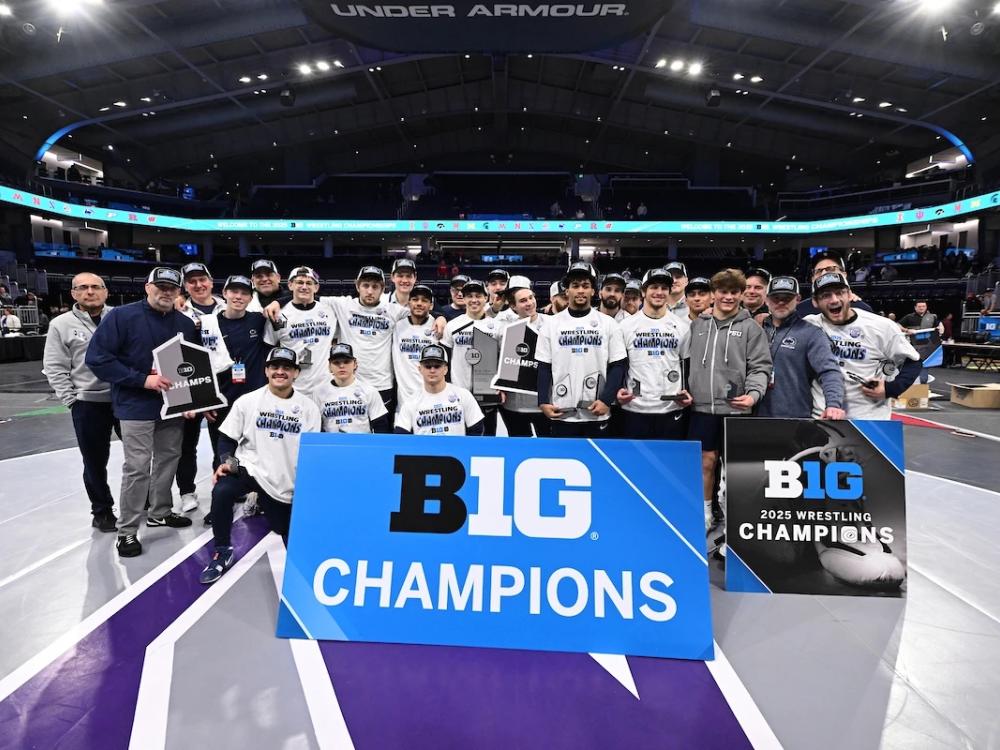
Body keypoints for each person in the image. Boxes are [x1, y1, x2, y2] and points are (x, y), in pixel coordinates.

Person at [85, 267, 197, 558]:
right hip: (135, 405)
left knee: (169, 458)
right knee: (137, 467)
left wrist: (188, 401)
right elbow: (97, 358)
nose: (166, 292)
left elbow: (189, 367)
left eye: (172, 288)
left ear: (179, 292)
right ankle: (128, 531)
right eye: (160, 287)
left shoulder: (185, 323)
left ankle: (160, 511)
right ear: (147, 288)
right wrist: (141, 379)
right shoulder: (121, 317)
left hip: (171, 405)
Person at [199, 347, 321, 584]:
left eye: (286, 368)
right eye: (275, 367)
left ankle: (263, 503)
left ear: (296, 373)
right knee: (223, 490)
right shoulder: (248, 401)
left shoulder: (309, 408)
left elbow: (312, 453)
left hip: (284, 479)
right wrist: (227, 463)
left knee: (282, 528)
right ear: (266, 371)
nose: (280, 372)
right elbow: (226, 439)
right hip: (250, 469)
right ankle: (222, 550)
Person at [685, 269, 772, 531]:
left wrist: (754, 395)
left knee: (732, 469)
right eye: (723, 292)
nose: (728, 297)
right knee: (705, 462)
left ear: (741, 294)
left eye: (734, 292)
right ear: (714, 294)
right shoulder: (698, 324)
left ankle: (735, 519)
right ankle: (706, 513)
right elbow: (684, 362)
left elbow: (760, 367)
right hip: (701, 407)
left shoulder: (750, 329)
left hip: (736, 408)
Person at [43, 272, 119, 532]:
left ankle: (142, 500)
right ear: (73, 293)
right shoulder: (60, 324)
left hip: (124, 398)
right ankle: (102, 510)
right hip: (87, 403)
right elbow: (54, 366)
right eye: (83, 288)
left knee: (139, 456)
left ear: (106, 291)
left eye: (96, 287)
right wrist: (71, 400)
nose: (90, 292)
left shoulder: (120, 317)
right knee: (94, 461)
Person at [806, 272, 920, 420]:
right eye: (826, 295)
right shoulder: (809, 324)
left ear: (849, 295)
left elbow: (914, 361)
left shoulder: (881, 326)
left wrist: (890, 389)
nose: (834, 300)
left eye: (840, 293)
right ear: (815, 302)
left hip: (869, 418)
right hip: (823, 417)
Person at [536, 261, 626, 438]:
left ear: (593, 291)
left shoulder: (608, 324)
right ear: (567, 290)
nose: (580, 290)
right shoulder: (551, 324)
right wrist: (543, 402)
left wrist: (606, 400)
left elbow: (618, 365)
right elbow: (544, 366)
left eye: (585, 286)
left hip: (596, 411)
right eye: (575, 285)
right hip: (561, 410)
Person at [174, 262, 226, 514]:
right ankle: (186, 491)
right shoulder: (179, 312)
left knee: (225, 442)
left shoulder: (228, 306)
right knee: (187, 444)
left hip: (224, 384)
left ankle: (225, 484)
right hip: (192, 384)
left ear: (211, 281)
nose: (198, 285)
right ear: (185, 286)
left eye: (202, 279)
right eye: (192, 281)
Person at [617, 267, 692, 439]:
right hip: (634, 406)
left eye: (664, 288)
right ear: (643, 291)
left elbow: (686, 364)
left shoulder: (682, 326)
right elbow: (620, 364)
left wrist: (686, 390)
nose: (659, 292)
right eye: (654, 287)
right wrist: (618, 389)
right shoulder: (626, 326)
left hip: (670, 406)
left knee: (668, 463)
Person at [756, 276, 845, 420]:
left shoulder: (811, 333)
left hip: (793, 418)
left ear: (798, 299)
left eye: (787, 298)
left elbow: (829, 371)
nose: (780, 302)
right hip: (752, 416)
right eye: (775, 297)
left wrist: (833, 404)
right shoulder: (756, 329)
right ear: (766, 300)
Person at [264, 266, 338, 397]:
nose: (304, 287)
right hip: (292, 387)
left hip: (326, 386)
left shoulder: (330, 310)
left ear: (316, 287)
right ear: (290, 285)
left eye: (309, 283)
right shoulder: (277, 314)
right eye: (299, 282)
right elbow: (268, 348)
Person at [441, 279, 501, 435]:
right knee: (461, 438)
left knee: (487, 439)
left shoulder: (497, 326)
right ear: (464, 298)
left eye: (478, 295)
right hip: (459, 393)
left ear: (486, 298)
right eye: (470, 296)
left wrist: (502, 385)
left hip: (487, 393)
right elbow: (445, 358)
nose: (474, 300)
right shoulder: (453, 325)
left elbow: (503, 359)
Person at [495, 276, 549, 438]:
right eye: (523, 301)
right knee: (518, 449)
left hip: (544, 404)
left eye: (531, 298)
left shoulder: (552, 324)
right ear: (513, 306)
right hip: (514, 406)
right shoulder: (506, 329)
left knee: (548, 451)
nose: (529, 303)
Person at [394, 345, 485, 435]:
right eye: (428, 366)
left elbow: (477, 429)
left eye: (437, 366)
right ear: (420, 369)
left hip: (456, 449)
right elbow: (400, 435)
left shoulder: (463, 395)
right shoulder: (411, 402)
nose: (432, 370)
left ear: (445, 369)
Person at [313, 343, 390, 433]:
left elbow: (381, 427)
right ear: (329, 367)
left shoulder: (369, 391)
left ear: (355, 364)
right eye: (336, 362)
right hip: (331, 445)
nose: (341, 366)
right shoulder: (319, 393)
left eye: (346, 362)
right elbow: (316, 428)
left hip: (361, 445)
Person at [392, 284, 441, 408]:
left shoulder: (438, 327)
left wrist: (442, 317)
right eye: (415, 299)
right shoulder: (396, 326)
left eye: (424, 300)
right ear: (408, 303)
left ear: (431, 305)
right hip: (404, 402)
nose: (419, 303)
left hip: (431, 399)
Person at [797, 251, 873, 316]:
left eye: (831, 269)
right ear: (813, 279)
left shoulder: (861, 309)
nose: (824, 273)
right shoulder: (800, 310)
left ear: (844, 275)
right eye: (819, 271)